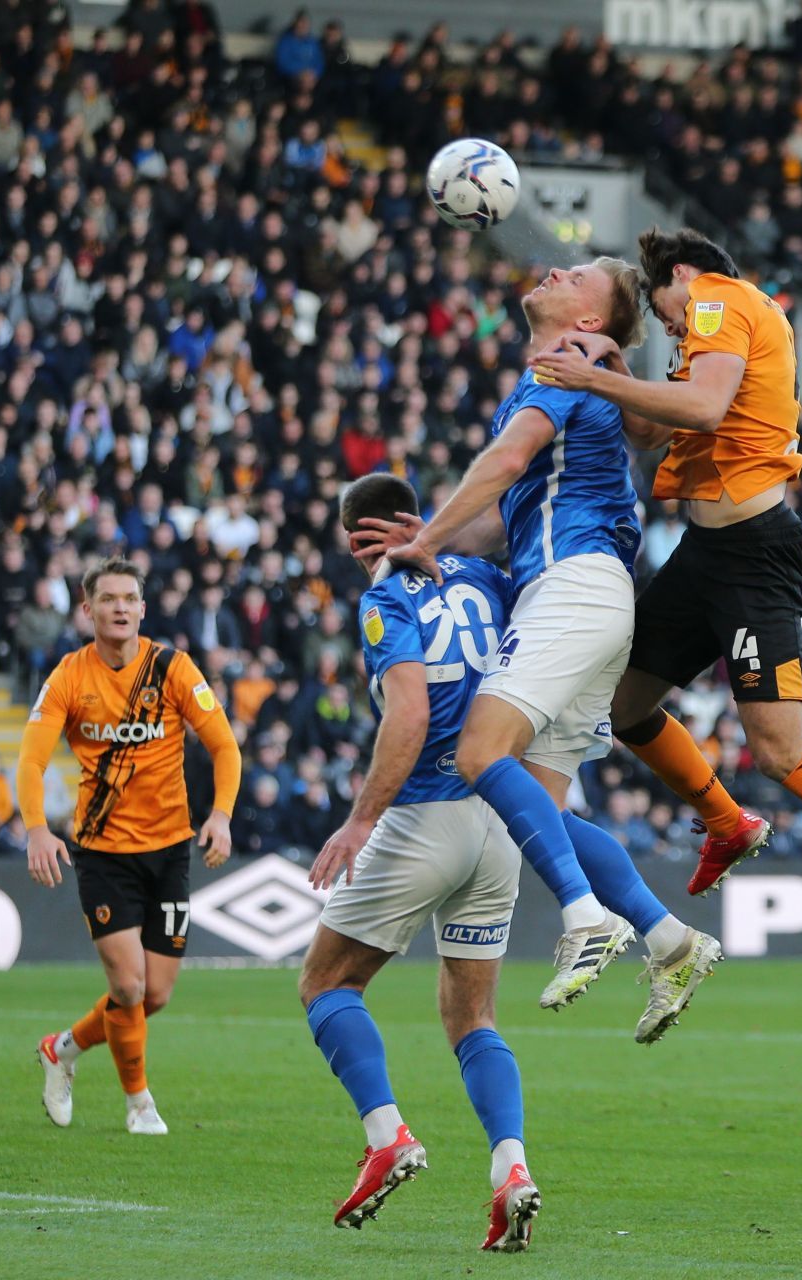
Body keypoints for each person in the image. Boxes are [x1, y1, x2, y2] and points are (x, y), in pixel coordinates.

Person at [529, 226, 802, 979]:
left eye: (662, 308)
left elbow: (700, 407)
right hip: (706, 553)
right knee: (625, 706)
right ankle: (727, 822)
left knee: (781, 752)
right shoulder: (712, 331)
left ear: (685, 274)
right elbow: (659, 423)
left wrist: (596, 380)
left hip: (754, 553)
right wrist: (618, 369)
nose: (665, 323)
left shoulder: (721, 300)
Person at [371, 258, 719, 1035]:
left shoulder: (569, 366)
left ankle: (585, 916)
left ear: (590, 322)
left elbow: (503, 464)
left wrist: (426, 539)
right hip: (591, 596)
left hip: (575, 586)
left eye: (579, 273)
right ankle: (670, 941)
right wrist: (430, 537)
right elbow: (505, 519)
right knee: (536, 804)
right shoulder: (587, 375)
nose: (554, 267)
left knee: (476, 753)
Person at [300, 473, 537, 1249]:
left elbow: (411, 708)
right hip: (503, 816)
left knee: (327, 983)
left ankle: (387, 1136)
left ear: (353, 541)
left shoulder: (385, 601)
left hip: (426, 813)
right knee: (472, 1016)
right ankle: (511, 1169)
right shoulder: (488, 577)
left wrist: (360, 819)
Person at [20, 556, 241, 1137]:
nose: (120, 608)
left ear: (143, 609)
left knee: (156, 995)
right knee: (128, 987)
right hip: (103, 853)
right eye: (108, 599)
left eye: (129, 599)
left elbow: (225, 746)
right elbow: (31, 758)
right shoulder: (69, 676)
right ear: (87, 609)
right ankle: (139, 1102)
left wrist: (220, 815)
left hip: (170, 850)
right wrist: (37, 827)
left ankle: (62, 1048)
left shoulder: (171, 667)